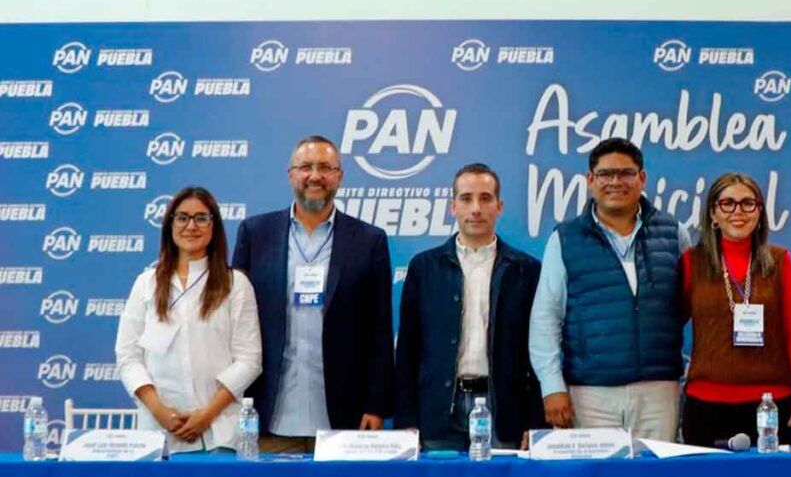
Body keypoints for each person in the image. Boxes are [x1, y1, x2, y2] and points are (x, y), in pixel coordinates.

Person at [232, 135, 395, 454]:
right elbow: (236, 323)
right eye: (305, 167)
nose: (315, 176)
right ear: (290, 174)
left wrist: (376, 405)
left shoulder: (369, 240)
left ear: (339, 176)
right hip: (268, 415)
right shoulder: (255, 234)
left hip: (344, 418)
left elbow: (379, 330)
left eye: (325, 167)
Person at [529, 137, 690, 441]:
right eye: (605, 174)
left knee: (655, 471)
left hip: (659, 391)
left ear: (642, 178)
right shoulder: (565, 238)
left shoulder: (673, 233)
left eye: (626, 173)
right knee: (594, 472)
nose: (616, 182)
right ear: (591, 180)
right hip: (590, 393)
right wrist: (552, 386)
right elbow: (546, 317)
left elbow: (686, 307)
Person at [395, 163, 545, 450]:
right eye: (466, 199)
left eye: (485, 198)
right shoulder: (424, 268)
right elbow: (407, 351)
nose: (476, 208)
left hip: (504, 413)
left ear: (499, 206)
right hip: (438, 413)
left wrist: (535, 419)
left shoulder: (525, 270)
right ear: (453, 207)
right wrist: (406, 419)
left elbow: (538, 351)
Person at [116, 187, 262, 454]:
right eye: (182, 217)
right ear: (169, 225)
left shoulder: (236, 284)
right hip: (158, 433)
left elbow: (249, 360)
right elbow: (128, 357)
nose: (191, 226)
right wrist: (159, 411)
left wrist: (206, 415)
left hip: (220, 432)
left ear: (214, 226)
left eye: (201, 218)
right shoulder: (146, 283)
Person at [679, 173, 791, 447]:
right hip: (706, 405)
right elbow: (669, 326)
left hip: (771, 405)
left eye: (747, 203)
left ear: (760, 213)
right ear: (713, 214)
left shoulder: (779, 261)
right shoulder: (693, 262)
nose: (737, 211)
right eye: (727, 203)